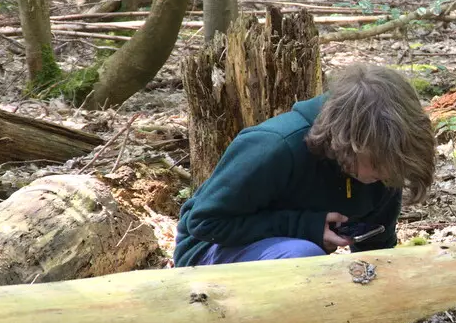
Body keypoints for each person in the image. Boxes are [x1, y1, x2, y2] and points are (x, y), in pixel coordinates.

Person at [173, 64, 435, 268]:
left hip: (285, 256)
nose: (386, 175)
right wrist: (303, 226)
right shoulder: (274, 146)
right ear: (348, 141)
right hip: (209, 251)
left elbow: (377, 250)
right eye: (377, 164)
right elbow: (205, 223)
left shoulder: (387, 160)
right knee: (303, 257)